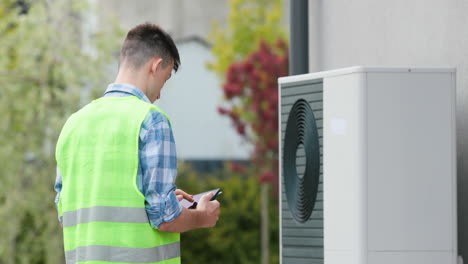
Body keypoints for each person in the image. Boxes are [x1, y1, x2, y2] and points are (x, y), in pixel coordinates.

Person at [54, 23, 220, 264]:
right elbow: (165, 218)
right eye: (164, 80)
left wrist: (159, 197)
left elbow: (67, 212)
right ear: (155, 65)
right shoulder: (151, 120)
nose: (160, 95)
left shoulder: (73, 124)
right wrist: (202, 217)